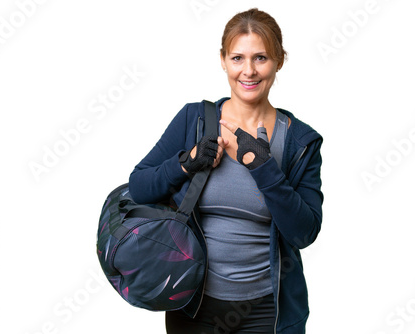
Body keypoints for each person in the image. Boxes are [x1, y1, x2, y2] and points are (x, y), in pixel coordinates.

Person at [128, 8, 323, 334]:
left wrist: (264, 168)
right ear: (222, 60)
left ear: (279, 61)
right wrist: (183, 163)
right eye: (237, 58)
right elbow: (139, 188)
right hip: (194, 306)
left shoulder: (299, 141)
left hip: (267, 311)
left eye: (261, 58)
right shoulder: (194, 120)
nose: (249, 71)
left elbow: (304, 233)